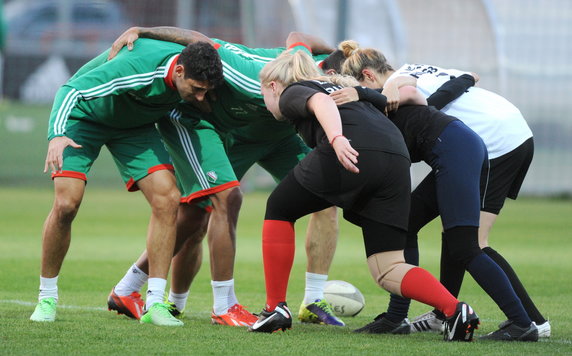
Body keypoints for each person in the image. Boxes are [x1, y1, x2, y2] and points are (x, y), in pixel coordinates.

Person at [104, 27, 345, 327]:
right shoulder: (250, 72)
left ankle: (312, 300)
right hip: (217, 129)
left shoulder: (332, 82)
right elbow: (203, 43)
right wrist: (143, 31)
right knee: (213, 205)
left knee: (323, 197)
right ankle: (213, 305)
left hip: (279, 136)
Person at [249, 49, 480, 342]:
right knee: (388, 268)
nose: (266, 102)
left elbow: (320, 102)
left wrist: (336, 138)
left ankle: (275, 308)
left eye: (263, 93)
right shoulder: (347, 87)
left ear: (272, 85)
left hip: (352, 149)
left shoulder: (294, 90)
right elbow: (413, 99)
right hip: (397, 159)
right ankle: (455, 310)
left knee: (279, 207)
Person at [328, 40, 541, 341]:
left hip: (472, 146)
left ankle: (522, 323)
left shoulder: (395, 85)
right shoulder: (411, 75)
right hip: (474, 144)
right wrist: (466, 78)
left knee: (466, 245)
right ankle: (397, 317)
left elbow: (409, 89)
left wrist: (373, 94)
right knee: (409, 223)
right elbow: (459, 82)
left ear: (368, 76)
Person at [30, 38, 224, 327]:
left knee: (168, 198)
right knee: (67, 203)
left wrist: (142, 28)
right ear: (179, 71)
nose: (199, 99)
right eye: (196, 90)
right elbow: (71, 90)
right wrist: (56, 134)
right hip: (84, 118)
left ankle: (155, 303)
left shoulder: (196, 67)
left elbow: (203, 39)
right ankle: (46, 297)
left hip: (134, 127)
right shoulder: (136, 69)